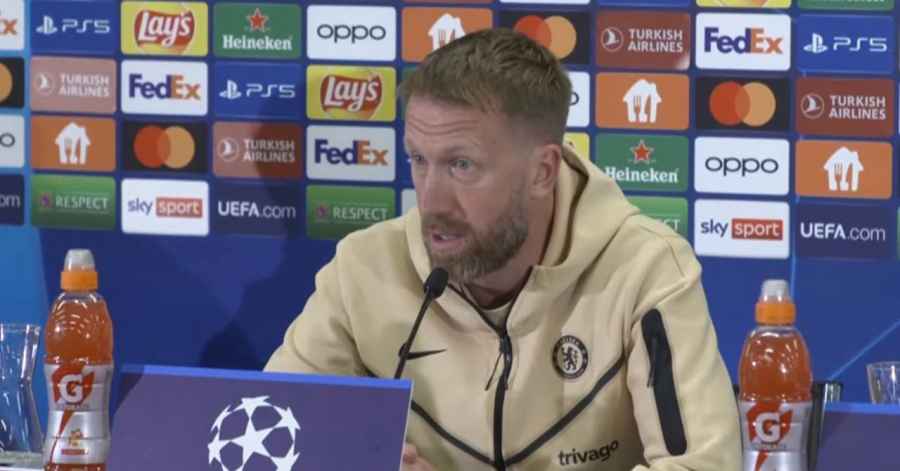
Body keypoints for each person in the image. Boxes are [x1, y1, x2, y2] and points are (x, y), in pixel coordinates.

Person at [266, 28, 740, 470]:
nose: (431, 200)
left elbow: (703, 464)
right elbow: (267, 439)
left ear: (542, 172)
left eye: (462, 165)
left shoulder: (646, 270)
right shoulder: (364, 268)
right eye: (419, 160)